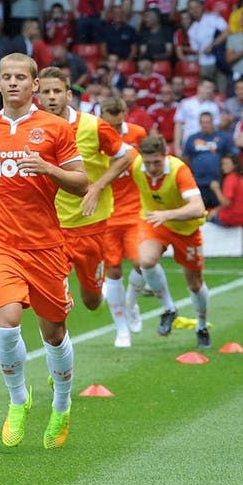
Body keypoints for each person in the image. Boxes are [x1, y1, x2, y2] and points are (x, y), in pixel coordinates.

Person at [0, 54, 87, 452]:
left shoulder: (55, 128)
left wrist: (49, 170)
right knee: (7, 323)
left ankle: (62, 406)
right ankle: (18, 401)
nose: (13, 83)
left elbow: (81, 182)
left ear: (35, 84)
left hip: (45, 245)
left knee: (54, 332)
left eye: (20, 78)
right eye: (6, 78)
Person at [38, 67, 134, 341]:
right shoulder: (31, 130)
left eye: (57, 91)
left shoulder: (93, 126)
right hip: (50, 227)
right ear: (38, 97)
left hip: (90, 225)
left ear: (68, 94)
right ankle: (57, 359)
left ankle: (99, 291)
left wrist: (97, 186)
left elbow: (125, 157)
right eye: (46, 92)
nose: (52, 97)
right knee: (52, 303)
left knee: (91, 300)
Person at [128, 135, 212, 349]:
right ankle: (169, 309)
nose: (152, 167)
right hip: (154, 221)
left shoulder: (178, 170)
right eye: (148, 162)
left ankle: (201, 326)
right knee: (145, 260)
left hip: (186, 228)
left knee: (194, 284)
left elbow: (197, 208)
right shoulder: (136, 164)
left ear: (165, 156)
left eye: (157, 161)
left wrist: (169, 214)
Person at [98, 95, 150, 347]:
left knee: (142, 263)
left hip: (135, 211)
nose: (115, 131)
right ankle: (121, 330)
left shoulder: (139, 134)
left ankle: (131, 304)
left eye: (119, 126)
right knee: (114, 269)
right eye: (111, 126)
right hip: (107, 213)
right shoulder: (95, 135)